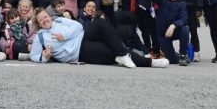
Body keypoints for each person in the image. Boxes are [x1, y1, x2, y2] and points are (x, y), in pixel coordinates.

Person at [29, 8, 168, 68]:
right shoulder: (40, 37)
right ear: (38, 23)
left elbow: (78, 27)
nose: (45, 20)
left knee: (100, 23)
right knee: (111, 51)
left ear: (49, 15)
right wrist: (44, 58)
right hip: (80, 52)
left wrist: (63, 36)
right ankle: (149, 63)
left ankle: (122, 54)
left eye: (45, 16)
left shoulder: (59, 20)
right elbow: (33, 55)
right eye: (41, 20)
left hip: (84, 36)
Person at [150, 0, 191, 65]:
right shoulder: (162, 0)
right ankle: (176, 56)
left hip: (176, 31)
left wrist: (173, 25)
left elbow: (184, 19)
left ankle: (183, 55)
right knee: (171, 61)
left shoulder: (182, 4)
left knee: (185, 29)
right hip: (163, 34)